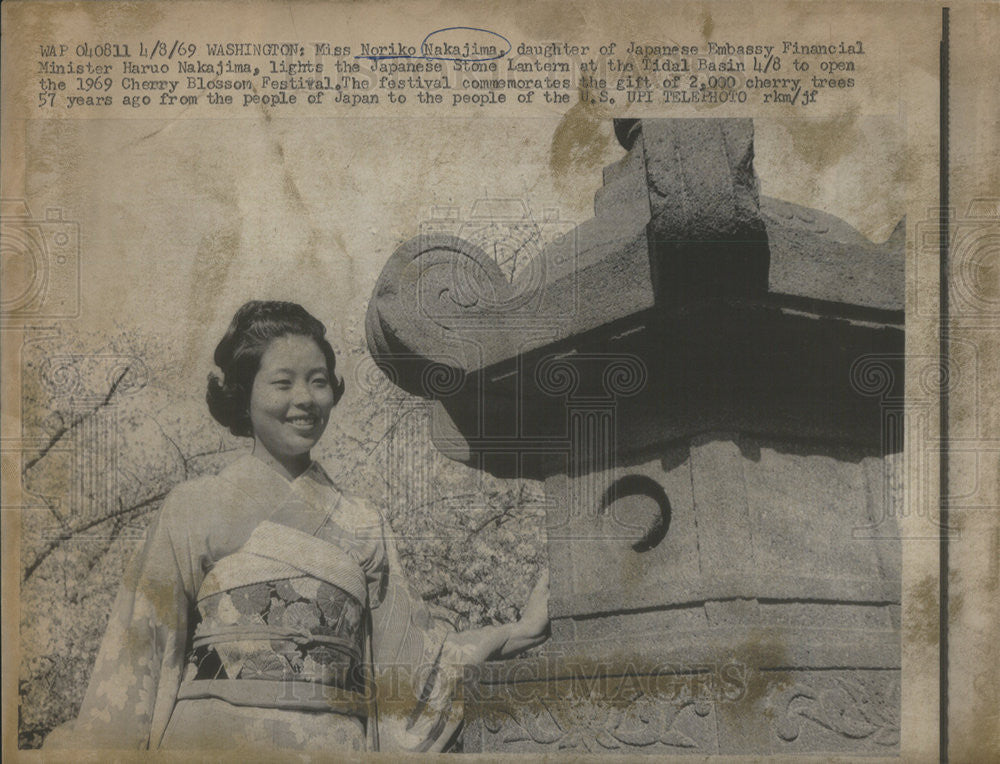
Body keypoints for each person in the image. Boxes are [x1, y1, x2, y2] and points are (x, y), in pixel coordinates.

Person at [44, 300, 549, 752]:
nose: (304, 398)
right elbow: (140, 652)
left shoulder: (362, 522)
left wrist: (517, 631)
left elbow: (410, 664)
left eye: (319, 381)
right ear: (243, 394)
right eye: (282, 382)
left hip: (332, 743)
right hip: (213, 744)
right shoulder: (193, 507)